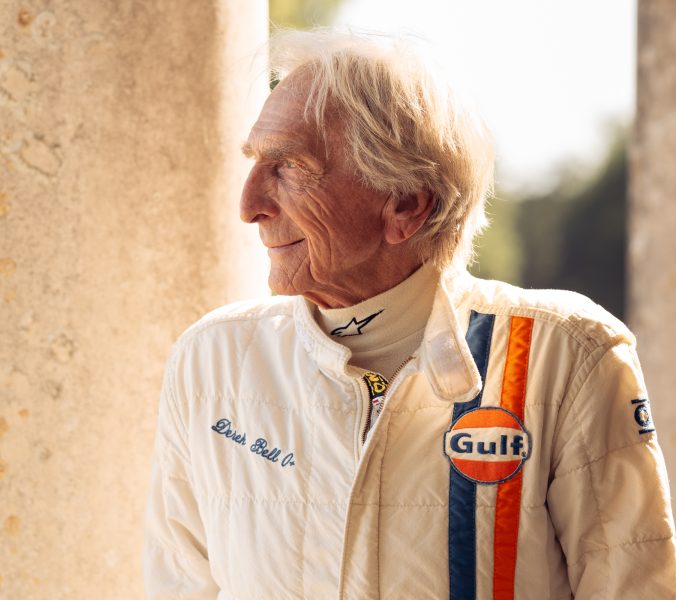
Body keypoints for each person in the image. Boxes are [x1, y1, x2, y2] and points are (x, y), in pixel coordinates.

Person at [143, 29, 676, 599]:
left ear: (406, 204)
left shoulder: (567, 354)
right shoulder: (211, 360)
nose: (249, 206)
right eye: (255, 162)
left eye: (290, 166)